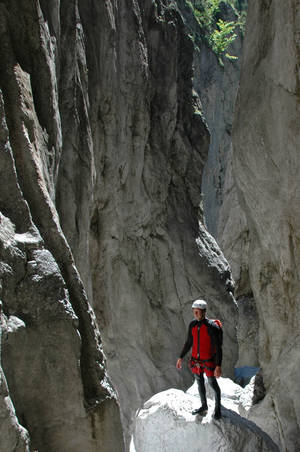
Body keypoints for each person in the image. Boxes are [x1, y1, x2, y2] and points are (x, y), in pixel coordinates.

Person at [176, 299, 222, 420]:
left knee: (213, 383)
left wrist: (218, 366)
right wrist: (181, 357)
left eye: (198, 312)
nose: (195, 314)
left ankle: (218, 409)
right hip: (196, 361)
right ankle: (204, 406)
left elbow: (218, 348)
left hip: (208, 361)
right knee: (199, 382)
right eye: (194, 311)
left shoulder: (211, 327)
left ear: (204, 312)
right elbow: (189, 342)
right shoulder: (193, 325)